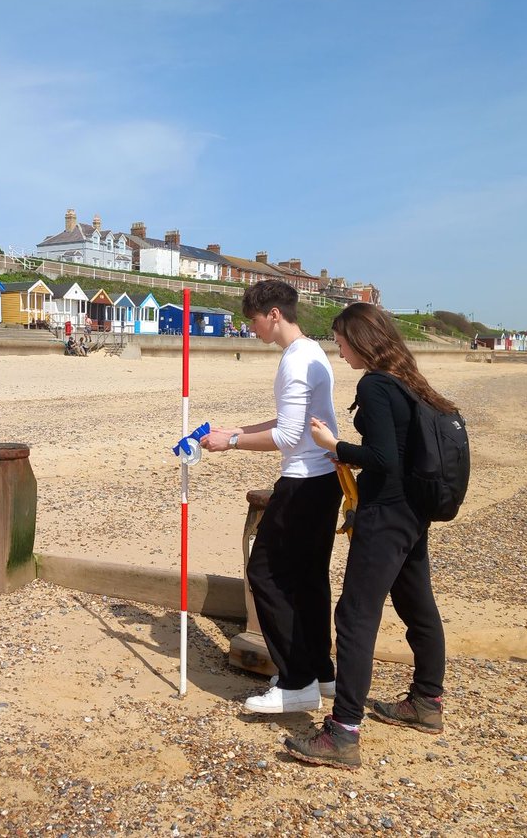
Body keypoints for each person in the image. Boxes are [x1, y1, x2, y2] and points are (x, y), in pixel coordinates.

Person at [287, 302, 455, 771]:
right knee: (417, 602)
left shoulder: (377, 385)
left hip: (385, 514)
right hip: (413, 512)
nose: (337, 349)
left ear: (361, 339)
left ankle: (343, 733)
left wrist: (333, 447)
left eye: (340, 340)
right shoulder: (408, 379)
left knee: (356, 616)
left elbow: (382, 458)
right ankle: (427, 701)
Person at [200, 280, 342, 714]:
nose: (254, 328)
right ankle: (322, 674)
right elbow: (289, 419)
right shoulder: (312, 352)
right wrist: (236, 431)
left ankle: (296, 680)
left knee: (264, 574)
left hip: (303, 483)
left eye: (255, 320)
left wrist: (232, 444)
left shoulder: (295, 362)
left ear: (274, 314)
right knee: (309, 578)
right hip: (325, 480)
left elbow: (286, 435)